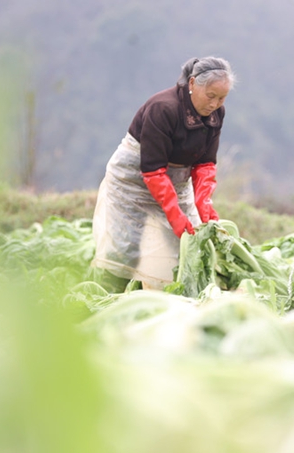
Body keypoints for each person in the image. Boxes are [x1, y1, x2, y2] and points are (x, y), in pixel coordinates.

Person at [91, 56, 235, 291]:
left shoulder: (216, 114)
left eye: (222, 98)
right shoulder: (163, 108)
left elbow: (205, 164)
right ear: (191, 84)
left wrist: (203, 204)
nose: (215, 104)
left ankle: (170, 300)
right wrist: (174, 214)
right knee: (127, 248)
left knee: (186, 244)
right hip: (134, 179)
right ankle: (107, 298)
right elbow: (153, 170)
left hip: (176, 181)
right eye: (211, 96)